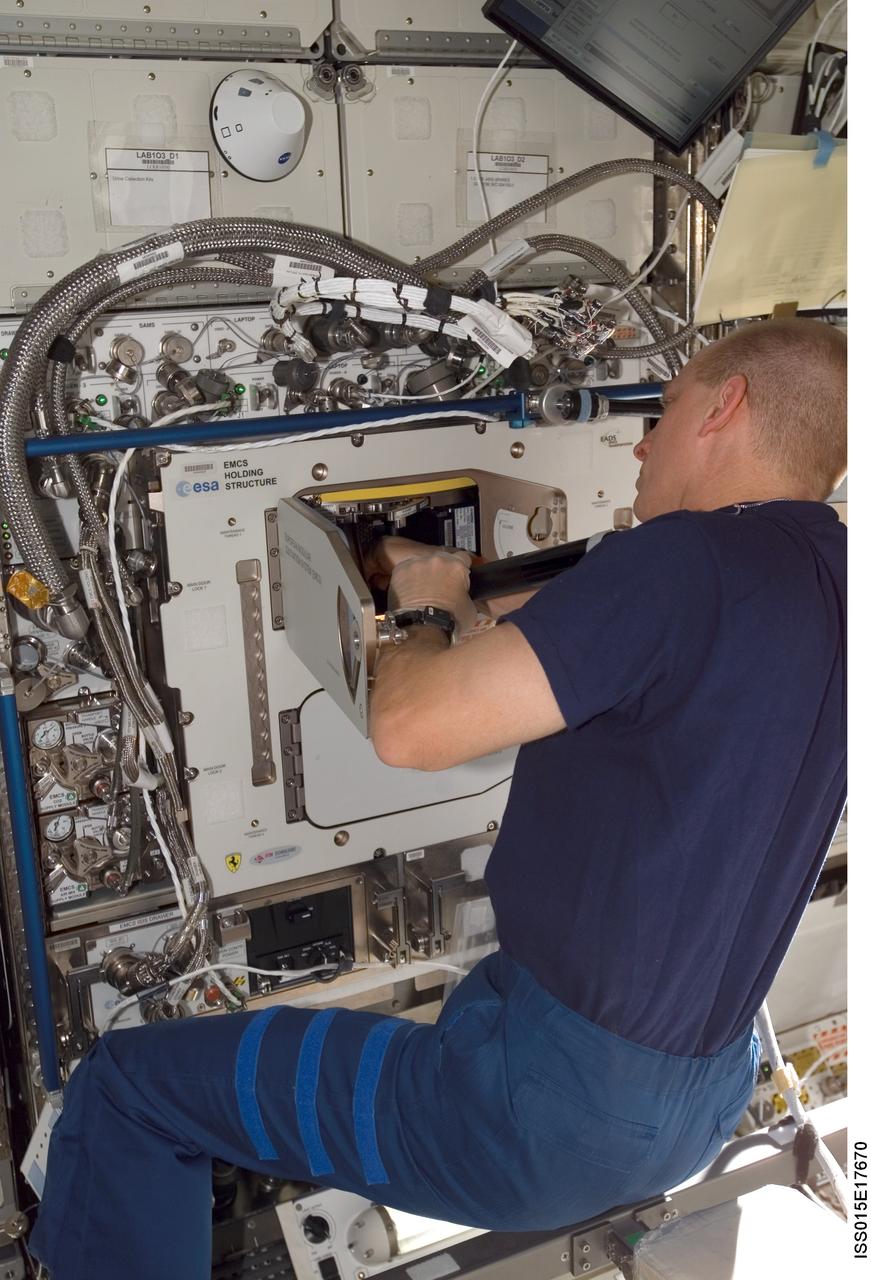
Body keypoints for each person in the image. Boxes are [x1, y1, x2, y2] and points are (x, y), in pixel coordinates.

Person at [31, 318, 847, 1279]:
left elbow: (409, 729)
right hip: (695, 1100)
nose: (640, 444)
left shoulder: (681, 560)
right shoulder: (833, 575)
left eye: (662, 413)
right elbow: (647, 661)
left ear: (724, 406)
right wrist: (458, 599)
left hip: (541, 1114)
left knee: (129, 1090)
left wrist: (419, 609)